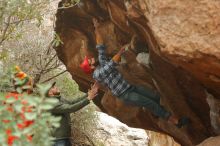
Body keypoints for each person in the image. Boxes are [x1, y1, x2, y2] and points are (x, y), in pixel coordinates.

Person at [80, 18, 189, 128]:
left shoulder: (101, 62)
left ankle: (155, 113)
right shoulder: (98, 74)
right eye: (89, 61)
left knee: (155, 96)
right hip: (126, 95)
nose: (90, 58)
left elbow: (100, 46)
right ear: (91, 67)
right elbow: (112, 63)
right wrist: (121, 51)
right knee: (151, 103)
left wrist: (96, 28)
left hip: (130, 88)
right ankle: (176, 122)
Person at [47, 82, 98, 146]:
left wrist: (88, 94)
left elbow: (72, 102)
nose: (56, 87)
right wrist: (88, 99)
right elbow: (70, 108)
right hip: (58, 140)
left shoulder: (59, 99)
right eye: (53, 87)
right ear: (49, 93)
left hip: (64, 138)